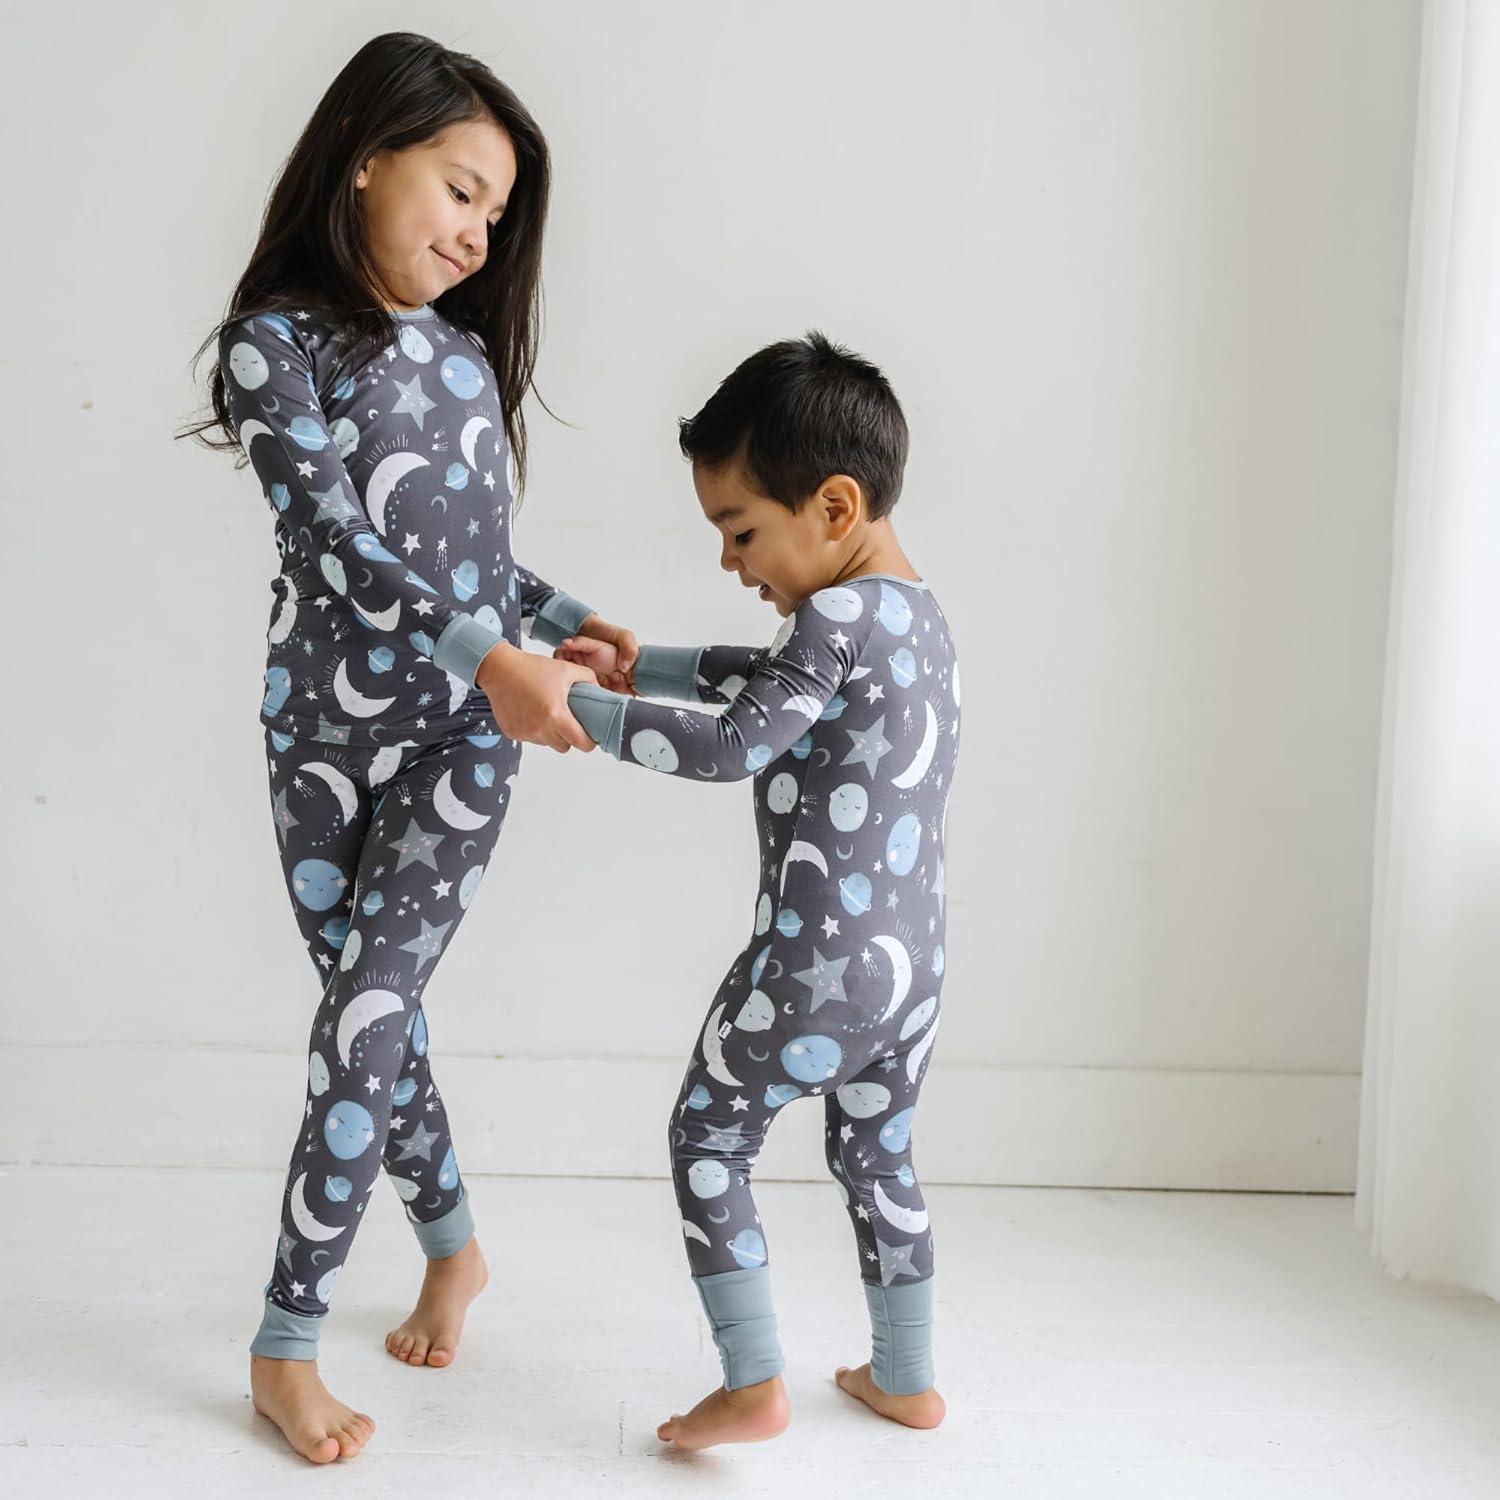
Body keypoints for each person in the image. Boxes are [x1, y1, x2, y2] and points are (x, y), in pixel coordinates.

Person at [182, 31, 636, 1465]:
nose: (478, 232)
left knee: (366, 1011)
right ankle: (454, 1245)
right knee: (372, 1016)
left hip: (461, 737)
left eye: (497, 212)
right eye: (459, 188)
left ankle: (284, 1341)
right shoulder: (274, 342)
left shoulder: (462, 357)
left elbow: (468, 558)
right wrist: (500, 650)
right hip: (317, 736)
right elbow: (335, 538)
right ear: (369, 159)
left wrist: (559, 622)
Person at [559, 332, 958, 1449]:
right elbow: (768, 679)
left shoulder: (829, 620)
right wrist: (639, 667)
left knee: (709, 1139)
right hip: (913, 971)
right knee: (877, 1157)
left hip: (815, 962)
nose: (733, 563)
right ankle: (907, 1378)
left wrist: (580, 709)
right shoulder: (918, 618)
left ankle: (751, 1384)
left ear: (834, 506)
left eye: (740, 531)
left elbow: (738, 742)